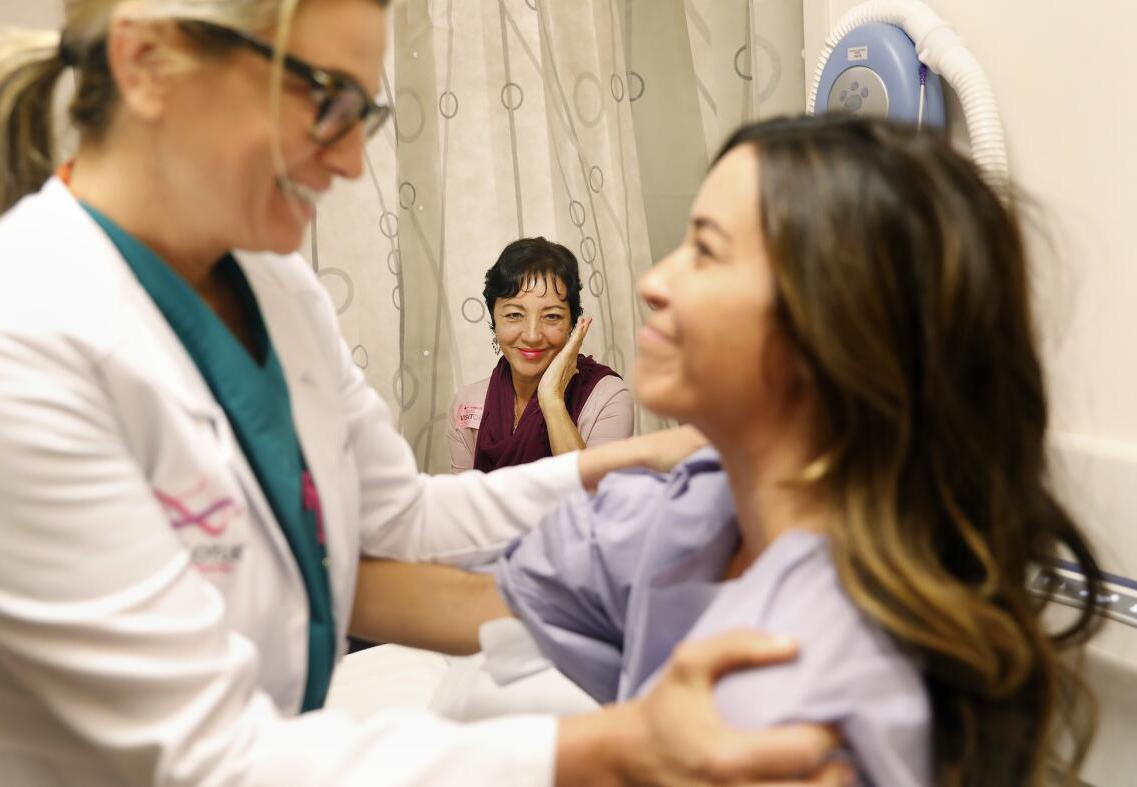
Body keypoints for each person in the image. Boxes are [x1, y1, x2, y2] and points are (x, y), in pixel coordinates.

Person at [0, 2, 850, 785]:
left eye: (360, 114)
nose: (347, 165)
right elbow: (215, 756)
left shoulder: (273, 284)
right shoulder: (2, 344)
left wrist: (628, 459)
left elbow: (400, 515)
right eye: (322, 100)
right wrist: (618, 744)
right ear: (145, 63)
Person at [351, 115, 1107, 786]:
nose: (653, 281)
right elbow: (476, 599)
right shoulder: (698, 506)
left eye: (705, 252)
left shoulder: (807, 694)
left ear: (826, 329)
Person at [448, 237, 633, 474]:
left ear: (572, 324)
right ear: (494, 321)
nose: (533, 335)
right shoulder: (467, 403)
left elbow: (596, 500)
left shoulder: (607, 397)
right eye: (514, 315)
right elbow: (463, 504)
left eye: (552, 316)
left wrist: (552, 401)